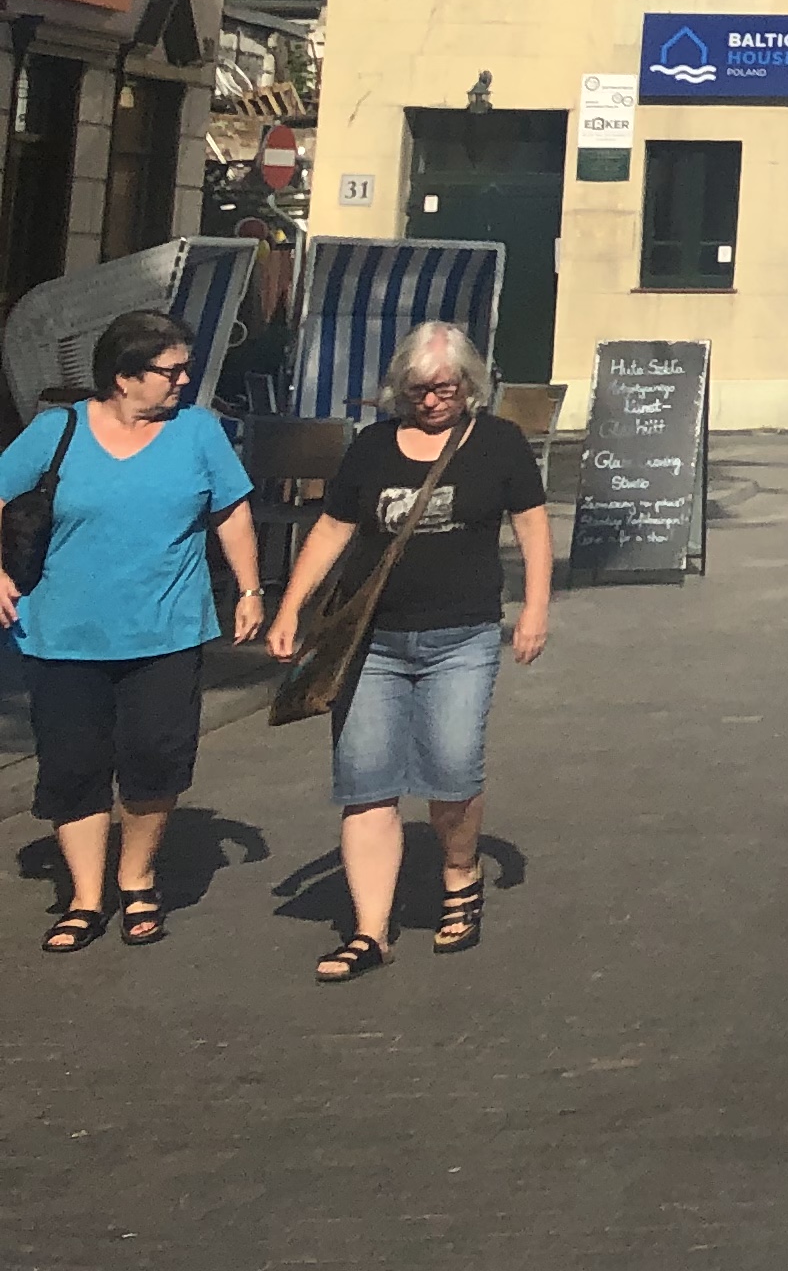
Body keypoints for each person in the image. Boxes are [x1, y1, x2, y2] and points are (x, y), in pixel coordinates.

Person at [267, 322, 551, 983]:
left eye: (445, 389)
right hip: (373, 642)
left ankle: (460, 872)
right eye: (420, 389)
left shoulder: (498, 443)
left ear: (469, 385)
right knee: (367, 783)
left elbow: (532, 523)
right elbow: (334, 527)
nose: (432, 401)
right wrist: (290, 607)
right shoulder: (372, 447)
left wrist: (536, 607)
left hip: (462, 635)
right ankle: (370, 932)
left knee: (452, 772)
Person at [0, 310, 264, 953]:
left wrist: (250, 589)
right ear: (124, 376)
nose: (184, 381)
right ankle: (86, 898)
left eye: (185, 369)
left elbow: (231, 511)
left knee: (156, 756)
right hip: (63, 633)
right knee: (73, 765)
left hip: (166, 631)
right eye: (172, 370)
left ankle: (137, 878)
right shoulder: (56, 430)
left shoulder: (197, 432)